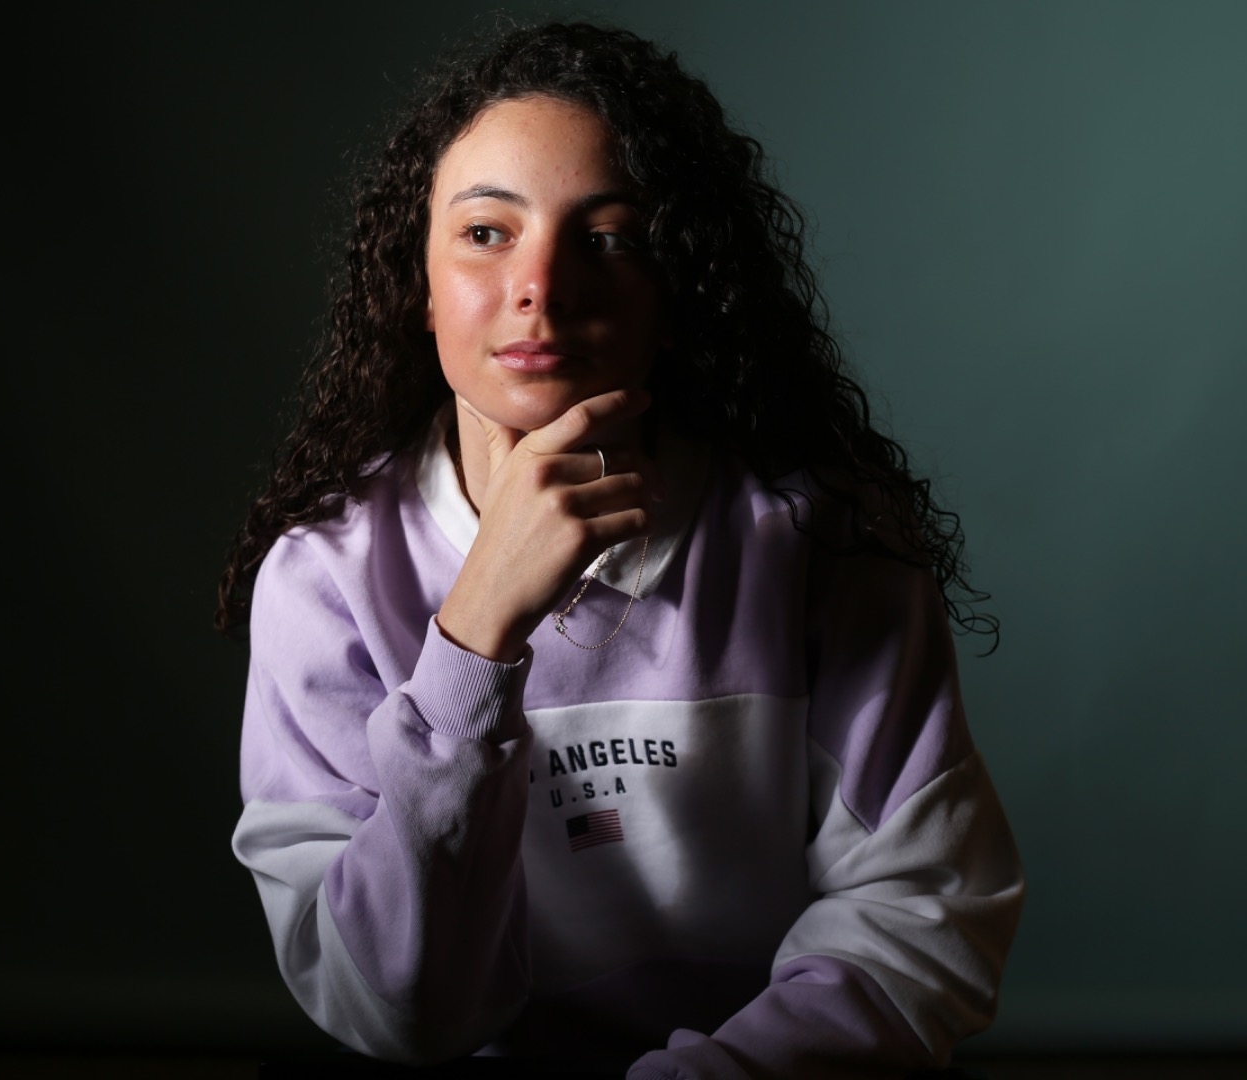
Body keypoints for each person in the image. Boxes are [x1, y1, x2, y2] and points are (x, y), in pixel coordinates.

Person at [218, 21, 1024, 1079]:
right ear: (418, 284)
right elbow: (393, 1010)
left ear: (678, 292)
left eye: (607, 239)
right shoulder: (323, 576)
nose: (541, 287)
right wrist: (473, 642)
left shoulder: (824, 539)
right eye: (486, 233)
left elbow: (921, 915)